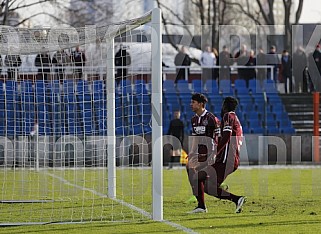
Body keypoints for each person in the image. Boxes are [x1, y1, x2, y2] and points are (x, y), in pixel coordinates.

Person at [187, 96, 246, 214]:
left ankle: (204, 206)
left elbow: (225, 137)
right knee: (203, 181)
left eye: (223, 104)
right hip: (229, 159)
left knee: (201, 180)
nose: (221, 107)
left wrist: (215, 152)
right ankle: (233, 199)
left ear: (226, 106)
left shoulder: (227, 116)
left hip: (226, 159)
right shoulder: (235, 118)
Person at [185, 93, 220, 209]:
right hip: (199, 154)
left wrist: (216, 153)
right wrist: (191, 153)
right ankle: (198, 195)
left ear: (200, 104)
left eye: (193, 102)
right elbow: (195, 138)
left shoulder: (211, 118)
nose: (191, 105)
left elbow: (219, 137)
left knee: (199, 177)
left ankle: (202, 201)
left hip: (210, 154)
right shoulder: (194, 119)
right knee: (189, 167)